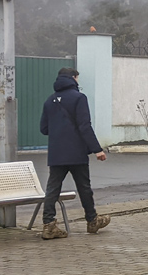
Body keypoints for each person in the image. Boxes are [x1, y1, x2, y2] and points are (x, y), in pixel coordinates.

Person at [39, 67, 110, 239]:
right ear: (74, 78)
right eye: (77, 78)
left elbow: (44, 129)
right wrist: (97, 149)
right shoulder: (79, 98)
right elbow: (84, 126)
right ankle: (92, 221)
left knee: (52, 189)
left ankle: (49, 225)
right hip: (76, 151)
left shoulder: (49, 101)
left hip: (56, 153)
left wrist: (59, 130)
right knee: (84, 187)